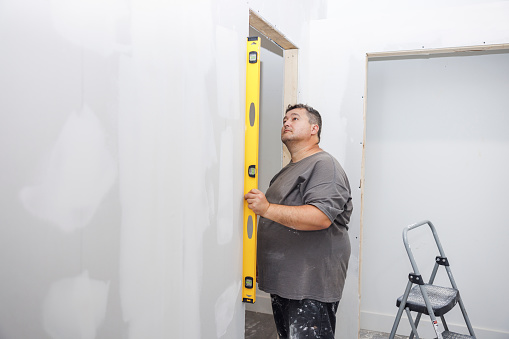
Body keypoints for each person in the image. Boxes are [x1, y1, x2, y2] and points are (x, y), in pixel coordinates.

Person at [244, 104, 353, 339]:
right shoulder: (290, 169)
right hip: (288, 281)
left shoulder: (324, 165)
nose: (286, 122)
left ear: (314, 128)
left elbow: (320, 217)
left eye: (295, 118)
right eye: (285, 119)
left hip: (309, 286)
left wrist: (267, 208)